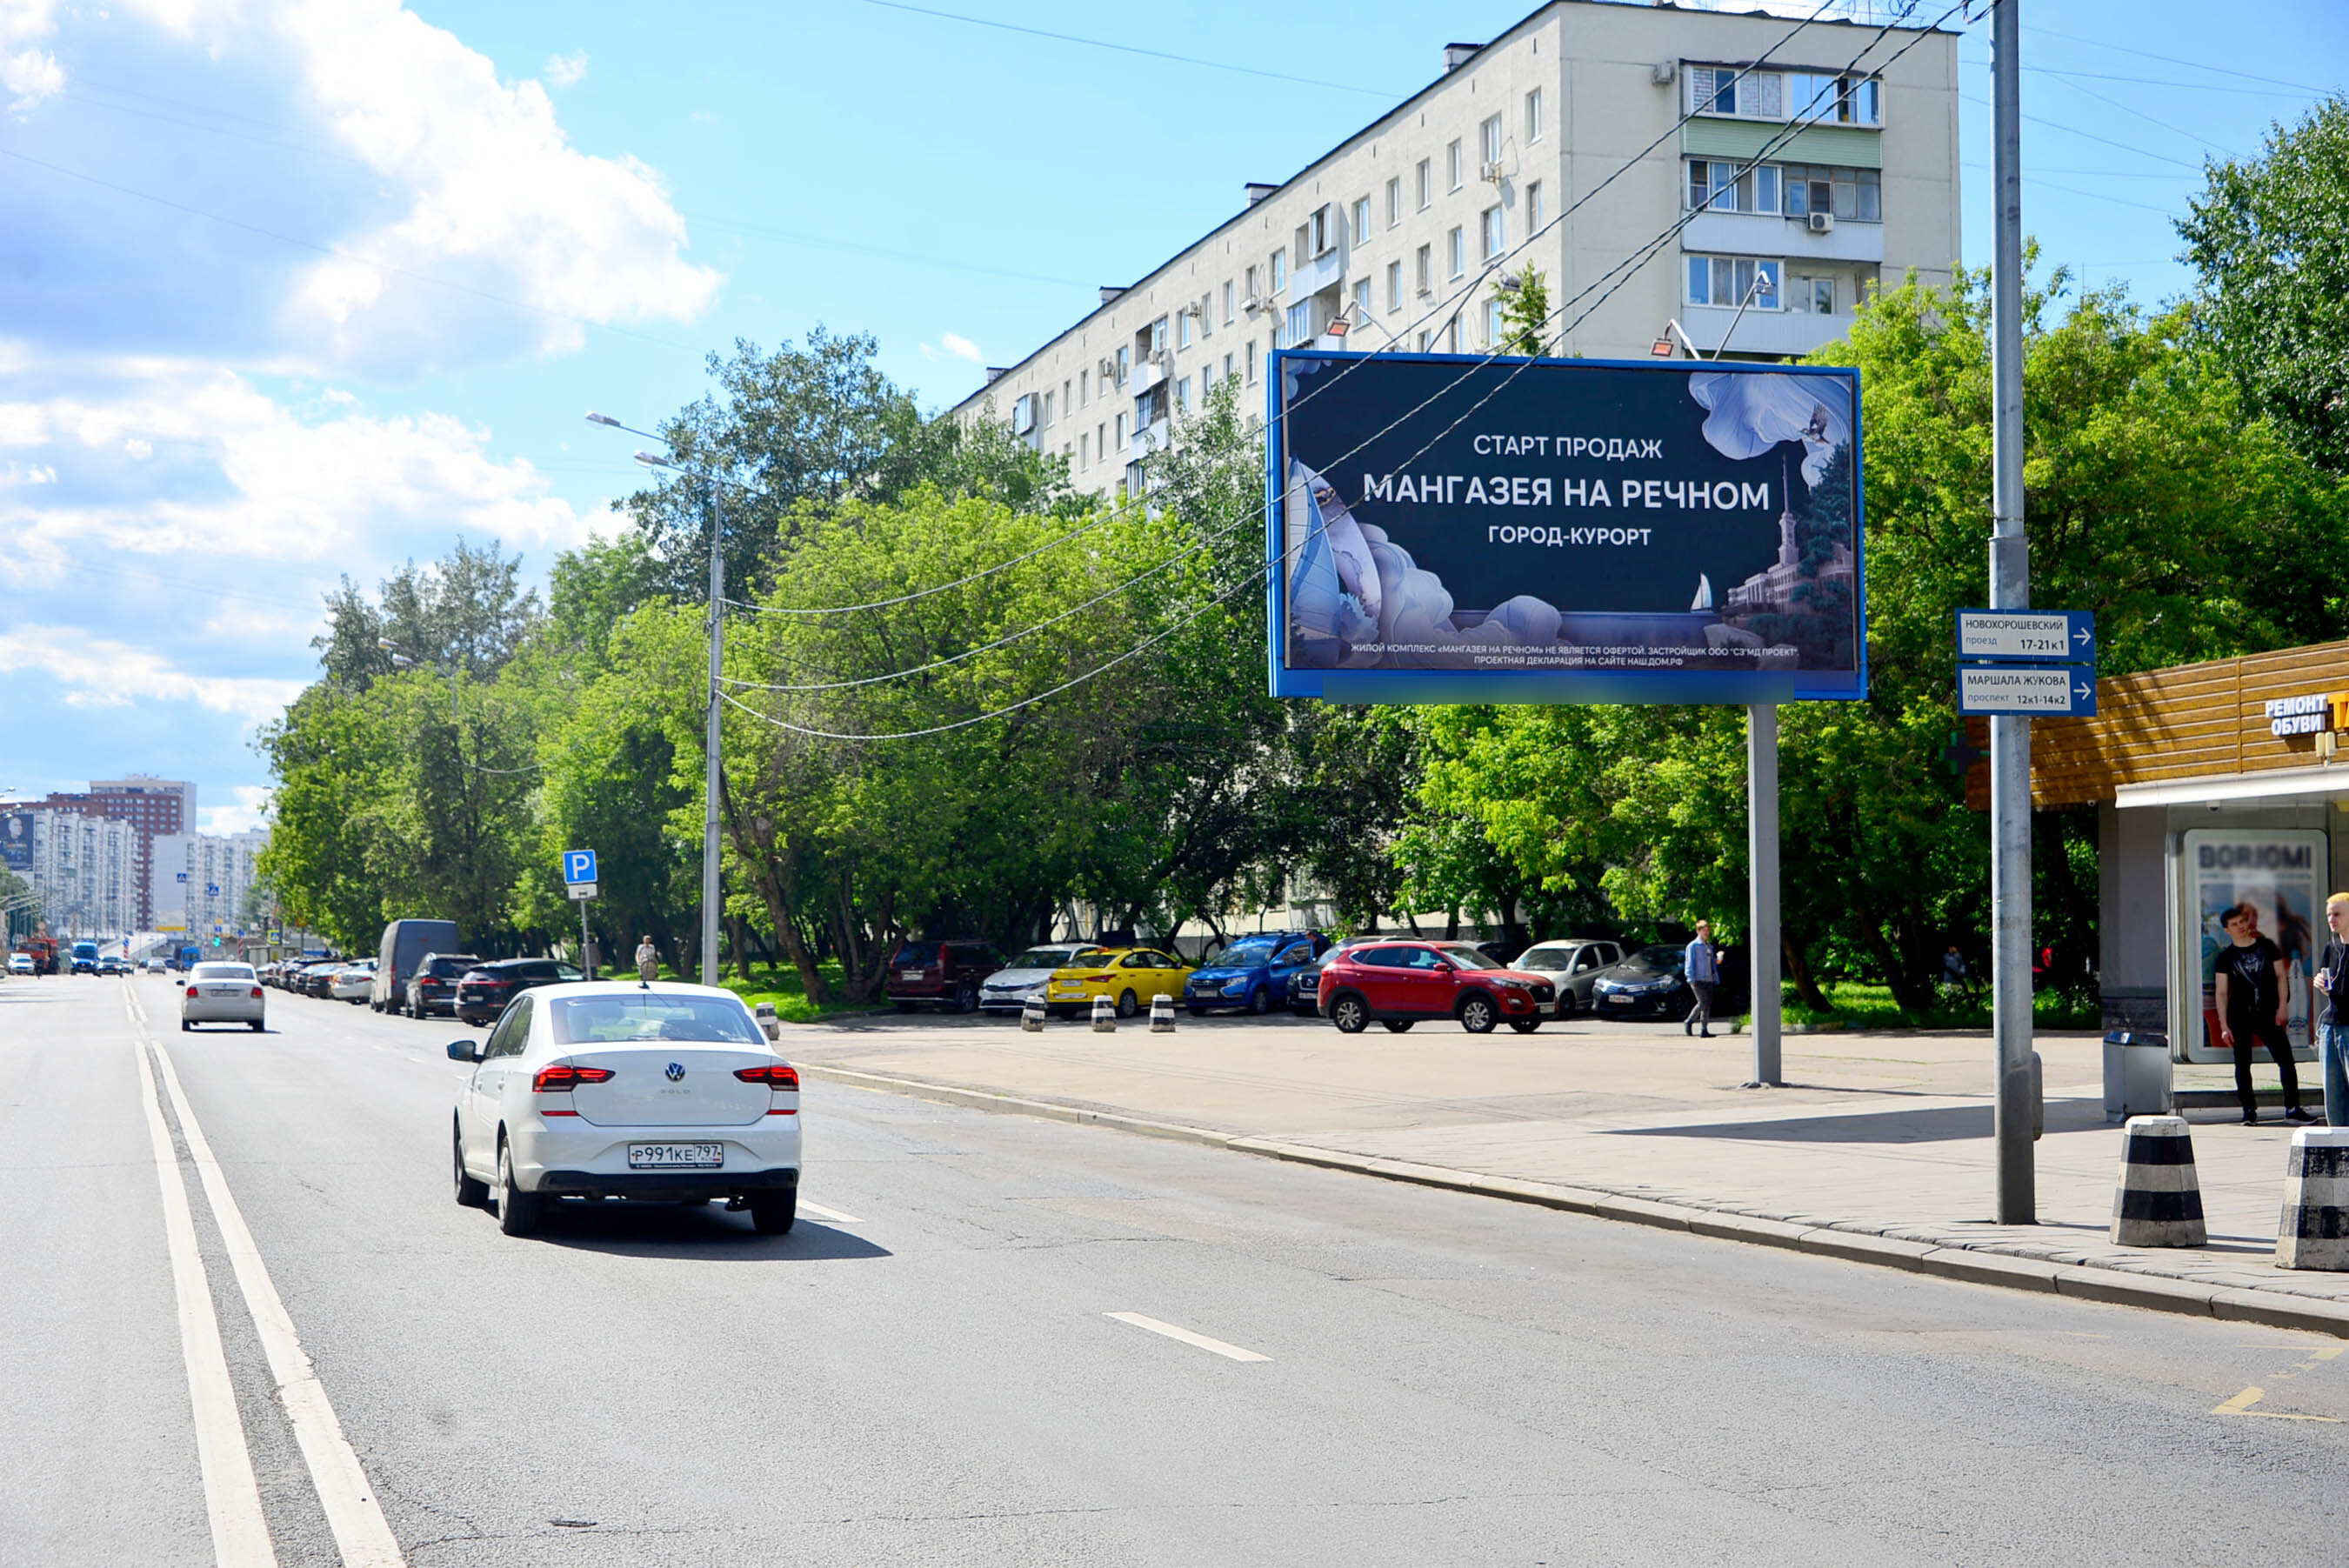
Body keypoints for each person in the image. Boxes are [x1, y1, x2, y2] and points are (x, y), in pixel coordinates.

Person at [2213, 901, 2318, 1126]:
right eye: (2235, 924)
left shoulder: (2268, 947)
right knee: (2242, 1063)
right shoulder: (2226, 957)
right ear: (2227, 930)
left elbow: (2282, 977)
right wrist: (2224, 1025)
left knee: (2286, 1060)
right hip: (2240, 1013)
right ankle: (2249, 1112)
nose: (2241, 926)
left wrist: (2283, 1006)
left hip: (2269, 1012)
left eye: (2243, 921)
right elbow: (2221, 993)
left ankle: (2292, 1108)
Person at [2314, 894, 2349, 1127]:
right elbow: (2328, 978)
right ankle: (2339, 1150)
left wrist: (2332, 992)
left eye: (2337, 914)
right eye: (2329, 914)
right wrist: (2320, 982)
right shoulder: (2332, 947)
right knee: (2333, 1097)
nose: (2332, 919)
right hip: (2330, 1025)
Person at [1683, 921, 1719, 1038]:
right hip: (1697, 979)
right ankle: (1689, 1021)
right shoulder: (1693, 946)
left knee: (1707, 1005)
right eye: (1704, 930)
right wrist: (1690, 978)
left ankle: (1704, 1029)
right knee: (1702, 1002)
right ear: (1698, 931)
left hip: (1708, 979)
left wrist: (1718, 959)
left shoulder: (1709, 946)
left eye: (1708, 930)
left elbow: (1712, 964)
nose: (1707, 932)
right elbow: (1689, 963)